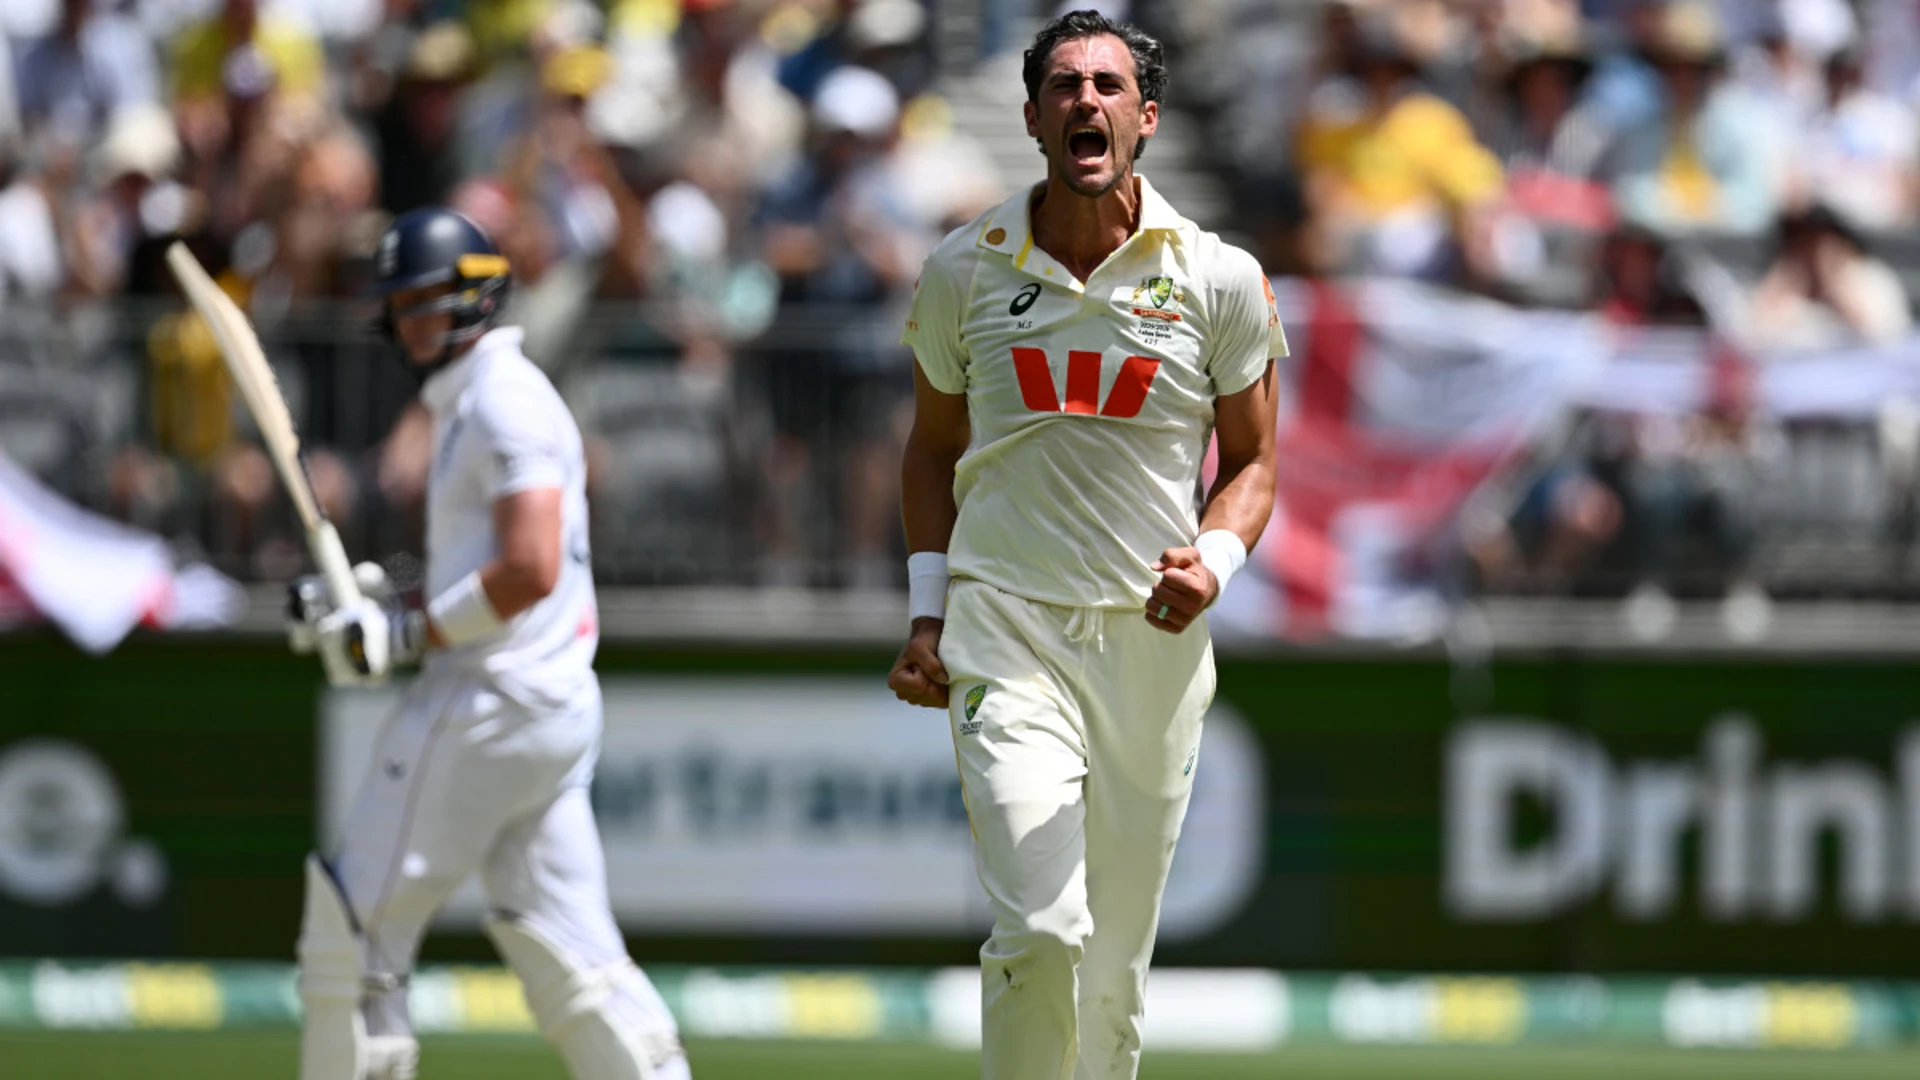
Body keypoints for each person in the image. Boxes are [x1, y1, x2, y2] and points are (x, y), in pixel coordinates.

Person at [887, 11, 1284, 1078]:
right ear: (1031, 116)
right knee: (1042, 930)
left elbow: (1253, 465)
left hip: (1151, 648)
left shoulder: (1217, 279)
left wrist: (1216, 561)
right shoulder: (963, 272)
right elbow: (930, 452)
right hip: (1004, 627)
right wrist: (929, 613)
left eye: (1109, 86)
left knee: (1111, 979)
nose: (1086, 102)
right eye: (1064, 86)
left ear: (1147, 118)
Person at [286, 208, 689, 1080]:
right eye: (403, 305)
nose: (412, 322)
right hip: (546, 704)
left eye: (432, 302)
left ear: (478, 298)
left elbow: (530, 567)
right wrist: (378, 600)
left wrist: (403, 633)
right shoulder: (478, 399)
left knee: (352, 939)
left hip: (488, 700)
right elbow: (493, 567)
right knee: (576, 965)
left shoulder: (501, 400)